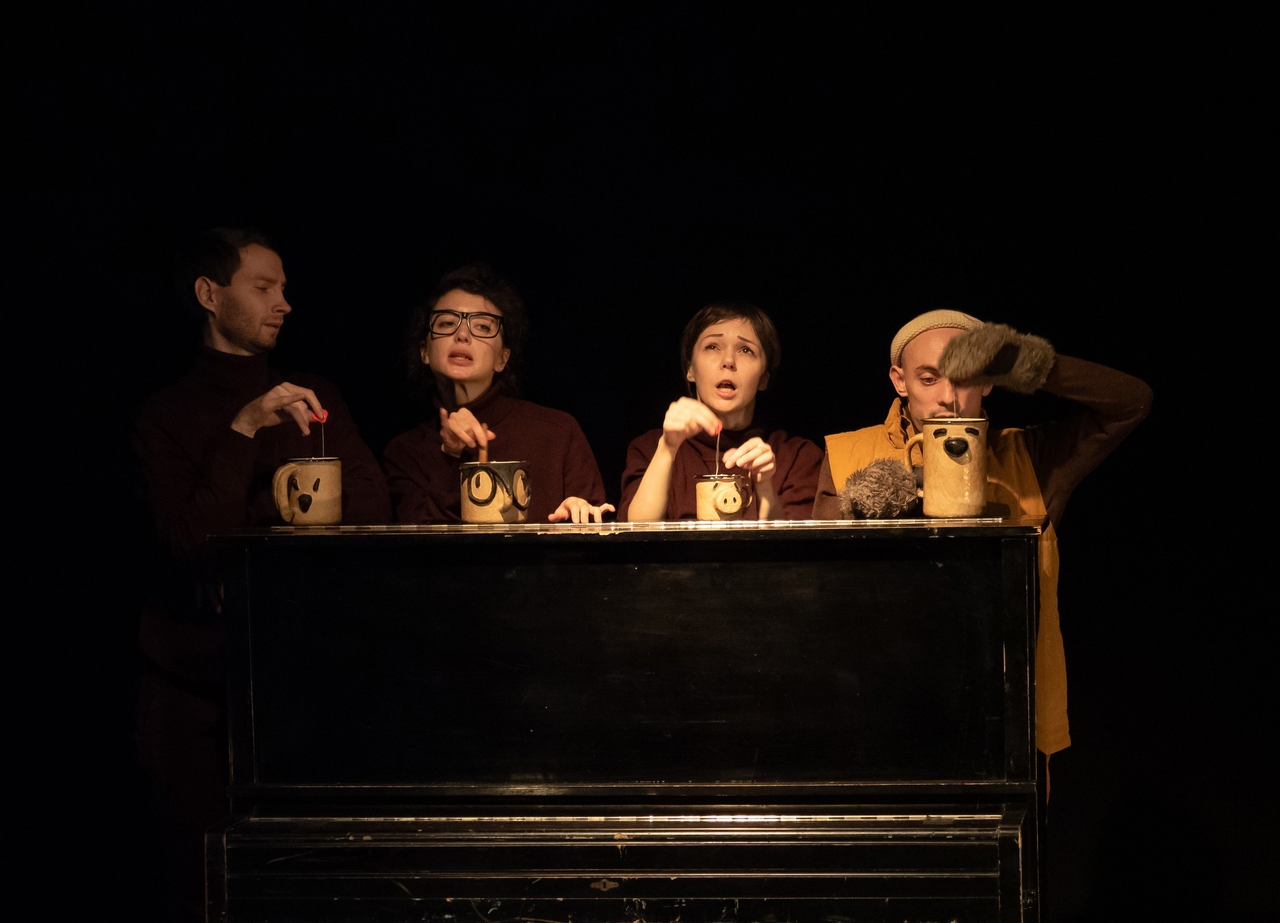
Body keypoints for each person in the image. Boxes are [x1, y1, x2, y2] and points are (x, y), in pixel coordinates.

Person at [132, 227, 390, 921]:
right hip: (197, 693)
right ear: (209, 295)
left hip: (299, 683)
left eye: (284, 288)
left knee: (306, 881)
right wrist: (243, 429)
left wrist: (261, 540)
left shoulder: (314, 394)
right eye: (264, 287)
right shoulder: (168, 414)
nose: (284, 303)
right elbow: (192, 544)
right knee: (203, 882)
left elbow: (371, 504)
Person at [813, 308, 1153, 766]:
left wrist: (1026, 361)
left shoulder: (1027, 457)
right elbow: (822, 597)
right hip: (880, 713)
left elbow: (1132, 401)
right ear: (900, 380)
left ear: (989, 382)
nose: (948, 398)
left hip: (1003, 715)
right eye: (929, 379)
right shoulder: (847, 454)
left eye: (966, 378)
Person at [383, 263, 613, 523]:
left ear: (502, 358)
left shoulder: (558, 433)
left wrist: (575, 520)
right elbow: (420, 543)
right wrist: (450, 455)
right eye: (447, 323)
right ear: (424, 351)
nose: (462, 335)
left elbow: (598, 527)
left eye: (482, 327)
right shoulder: (405, 452)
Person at [619, 301, 823, 521]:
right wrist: (667, 450)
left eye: (746, 350)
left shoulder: (798, 456)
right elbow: (637, 533)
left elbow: (796, 541)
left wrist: (765, 491)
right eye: (712, 347)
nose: (728, 361)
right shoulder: (650, 449)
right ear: (690, 369)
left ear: (764, 378)